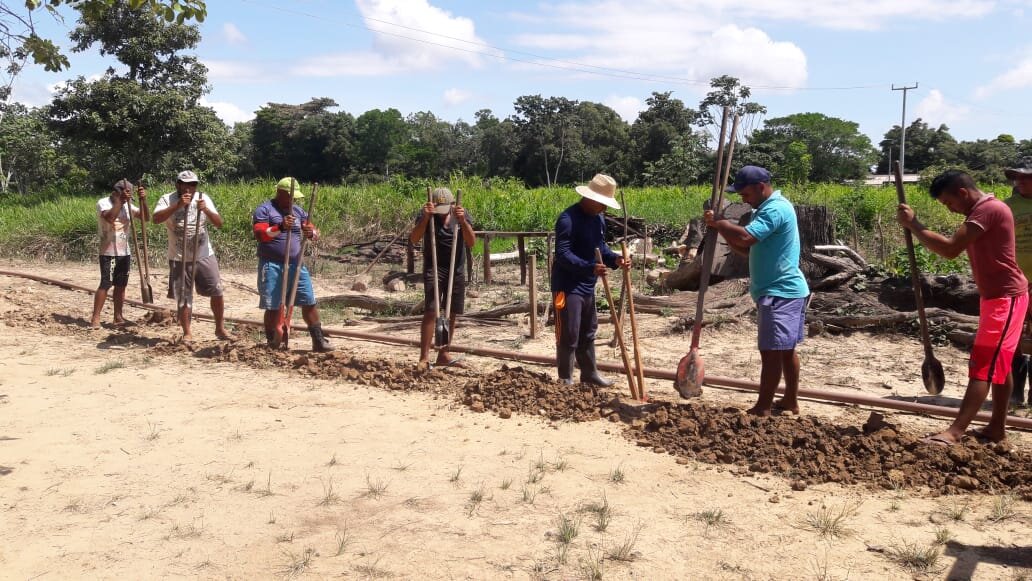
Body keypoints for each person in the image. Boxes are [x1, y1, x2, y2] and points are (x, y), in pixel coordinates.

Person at [898, 170, 1029, 445]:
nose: (950, 208)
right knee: (1000, 365)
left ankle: (954, 431)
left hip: (1006, 299)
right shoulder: (985, 210)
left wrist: (914, 225)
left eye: (948, 203)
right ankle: (996, 428)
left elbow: (949, 249)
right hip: (998, 298)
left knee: (983, 364)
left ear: (962, 192)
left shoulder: (988, 210)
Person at [704, 166, 810, 416]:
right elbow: (746, 250)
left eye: (746, 193)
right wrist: (721, 229)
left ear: (761, 187)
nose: (743, 198)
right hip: (784, 290)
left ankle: (763, 407)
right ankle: (789, 401)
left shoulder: (775, 209)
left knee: (772, 352)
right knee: (784, 351)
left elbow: (746, 239)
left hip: (780, 292)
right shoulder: (765, 209)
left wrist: (720, 223)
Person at [551, 173, 631, 386]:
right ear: (590, 198)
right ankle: (565, 378)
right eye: (602, 204)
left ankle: (589, 374)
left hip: (587, 284)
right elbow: (562, 253)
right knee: (569, 332)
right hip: (566, 287)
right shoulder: (568, 219)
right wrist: (589, 267)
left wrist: (616, 259)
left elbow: (601, 248)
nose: (604, 209)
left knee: (588, 330)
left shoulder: (599, 219)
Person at [151, 170, 234, 342]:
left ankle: (219, 328)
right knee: (184, 296)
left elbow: (219, 223)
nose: (189, 188)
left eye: (193, 184)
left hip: (204, 254)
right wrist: (178, 205)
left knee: (217, 291)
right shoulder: (167, 199)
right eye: (186, 184)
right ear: (178, 184)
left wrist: (207, 211)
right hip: (179, 257)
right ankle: (187, 332)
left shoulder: (203, 198)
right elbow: (156, 219)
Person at [252, 177, 334, 352]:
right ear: (280, 193)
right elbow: (260, 235)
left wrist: (311, 232)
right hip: (272, 265)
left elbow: (314, 232)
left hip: (297, 266)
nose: (293, 200)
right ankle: (272, 340)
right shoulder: (265, 210)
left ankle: (318, 340)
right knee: (273, 306)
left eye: (294, 197)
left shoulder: (298, 211)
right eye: (290, 196)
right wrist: (280, 227)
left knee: (309, 301)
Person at [409, 187, 475, 367]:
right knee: (431, 310)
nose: (442, 213)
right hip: (434, 267)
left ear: (452, 205)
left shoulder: (460, 214)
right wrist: (425, 218)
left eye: (445, 209)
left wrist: (463, 222)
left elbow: (471, 242)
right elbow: (414, 239)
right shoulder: (427, 214)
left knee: (451, 311)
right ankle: (424, 357)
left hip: (456, 267)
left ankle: (444, 353)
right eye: (439, 209)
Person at [90, 179, 148, 328]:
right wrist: (120, 202)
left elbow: (145, 217)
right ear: (116, 192)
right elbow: (110, 218)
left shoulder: (128, 206)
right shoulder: (103, 203)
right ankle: (95, 318)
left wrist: (143, 201)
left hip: (124, 252)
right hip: (108, 251)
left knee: (121, 285)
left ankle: (118, 317)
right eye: (124, 196)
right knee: (106, 283)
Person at [1004, 161, 1032, 407]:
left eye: (1026, 178)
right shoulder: (1007, 207)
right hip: (1016, 281)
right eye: (1017, 178)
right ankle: (1015, 392)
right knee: (1011, 337)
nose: (1021, 182)